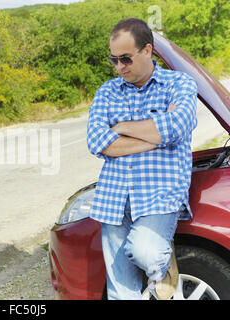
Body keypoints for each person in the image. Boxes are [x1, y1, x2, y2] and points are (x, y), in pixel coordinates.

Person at [86, 18, 198, 300]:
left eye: (126, 59)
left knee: (145, 252)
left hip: (160, 193)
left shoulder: (178, 83)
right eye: (114, 60)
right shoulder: (107, 92)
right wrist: (155, 133)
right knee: (121, 291)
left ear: (147, 50)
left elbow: (176, 127)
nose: (119, 67)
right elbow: (97, 142)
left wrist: (121, 127)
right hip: (114, 197)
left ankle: (162, 264)